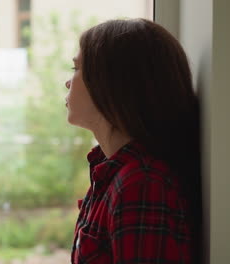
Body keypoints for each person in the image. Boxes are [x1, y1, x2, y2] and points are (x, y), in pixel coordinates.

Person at [65, 18, 201, 264]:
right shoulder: (112, 173)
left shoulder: (142, 184)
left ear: (111, 84)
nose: (68, 82)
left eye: (76, 69)